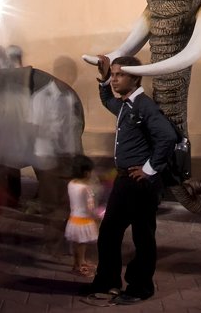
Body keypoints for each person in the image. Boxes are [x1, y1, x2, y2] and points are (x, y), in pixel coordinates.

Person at [82, 55, 175, 305]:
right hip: (124, 182)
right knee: (109, 233)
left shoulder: (144, 105)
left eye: (119, 75)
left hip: (140, 183)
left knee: (142, 237)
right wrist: (103, 78)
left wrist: (149, 169)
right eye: (113, 75)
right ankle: (107, 283)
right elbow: (107, 100)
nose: (115, 80)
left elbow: (167, 136)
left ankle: (140, 288)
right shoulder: (126, 104)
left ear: (135, 78)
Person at [66, 156, 99, 276]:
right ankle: (78, 266)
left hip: (74, 220)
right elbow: (89, 207)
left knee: (78, 244)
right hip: (83, 221)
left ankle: (80, 262)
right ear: (86, 173)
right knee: (81, 245)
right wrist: (96, 216)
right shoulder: (85, 189)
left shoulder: (71, 184)